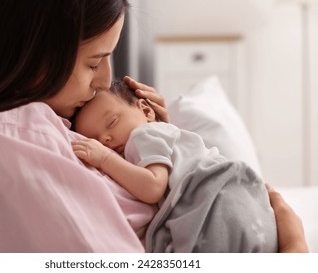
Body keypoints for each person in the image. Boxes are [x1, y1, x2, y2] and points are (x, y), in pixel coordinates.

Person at [0, 0, 307, 253]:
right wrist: (294, 250)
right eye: (93, 62)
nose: (103, 81)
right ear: (34, 53)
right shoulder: (20, 138)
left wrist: (160, 148)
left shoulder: (49, 127)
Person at [72, 81, 279, 252]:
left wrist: (103, 158)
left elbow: (153, 186)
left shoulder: (144, 134)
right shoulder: (159, 140)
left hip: (218, 195)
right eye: (95, 140)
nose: (105, 139)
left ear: (146, 110)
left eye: (112, 122)